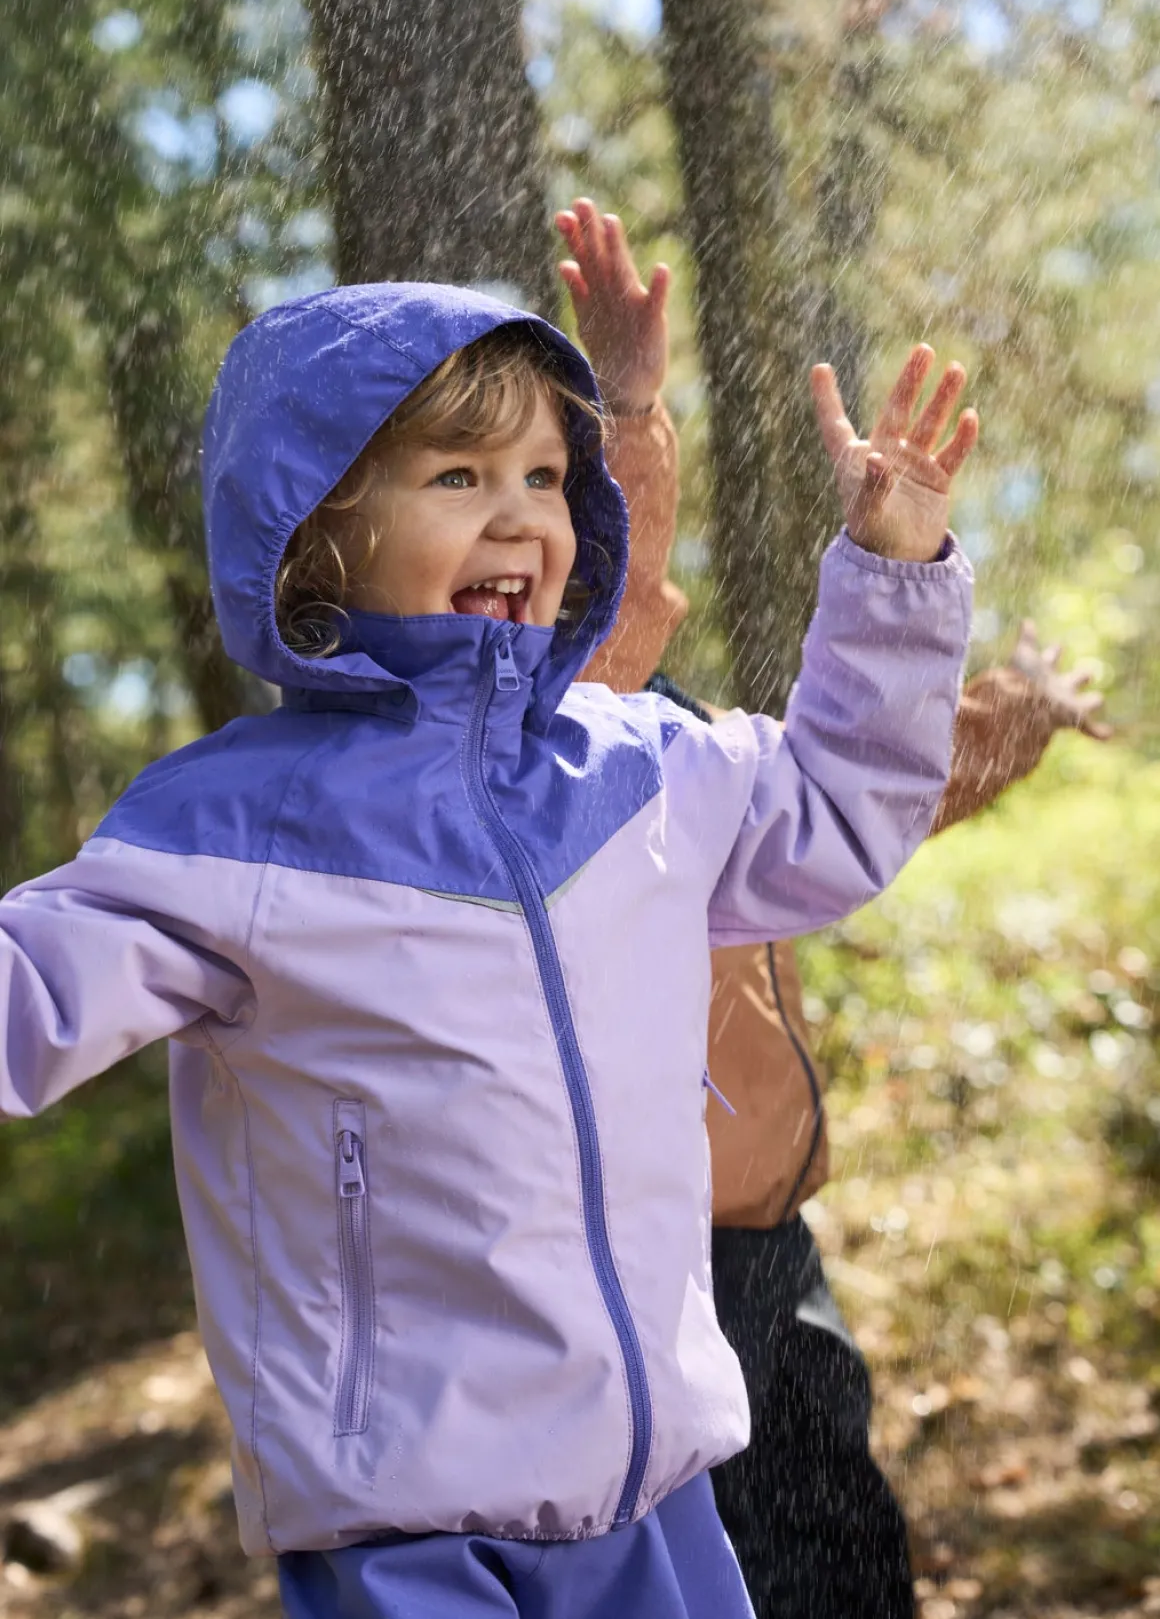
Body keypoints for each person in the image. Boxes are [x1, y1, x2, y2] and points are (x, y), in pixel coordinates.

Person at [0, 261, 975, 1617]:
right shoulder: (236, 828)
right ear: (317, 534)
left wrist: (894, 570)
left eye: (539, 478)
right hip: (409, 1521)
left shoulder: (638, 766)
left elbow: (839, 811)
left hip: (654, 1495)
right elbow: (28, 992)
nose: (519, 516)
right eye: (457, 479)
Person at [556, 198, 1109, 1619]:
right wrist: (627, 405)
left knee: (838, 1540)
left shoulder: (716, 767)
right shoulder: (582, 758)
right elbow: (605, 600)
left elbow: (881, 780)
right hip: (654, 1268)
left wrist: (1024, 710)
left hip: (769, 1244)